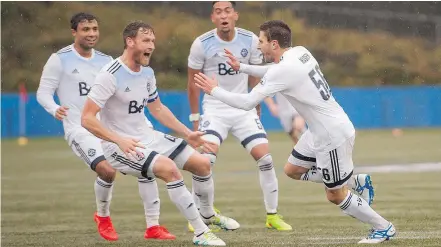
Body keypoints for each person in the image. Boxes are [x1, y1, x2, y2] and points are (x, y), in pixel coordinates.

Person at [194, 20, 395, 244]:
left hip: (332, 135)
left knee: (335, 195)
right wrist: (242, 67)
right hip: (318, 131)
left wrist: (214, 90)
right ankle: (354, 181)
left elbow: (247, 102)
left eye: (261, 41)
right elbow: (273, 70)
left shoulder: (283, 69)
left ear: (274, 44)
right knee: (292, 170)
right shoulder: (300, 52)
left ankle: (383, 227)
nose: (258, 46)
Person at [81, 21, 240, 246]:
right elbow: (86, 118)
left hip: (148, 136)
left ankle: (208, 216)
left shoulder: (147, 72)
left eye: (153, 41)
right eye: (146, 40)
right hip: (118, 146)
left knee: (203, 164)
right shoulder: (110, 74)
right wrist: (119, 140)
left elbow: (157, 109)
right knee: (170, 170)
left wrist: (187, 133)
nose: (152, 46)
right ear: (129, 41)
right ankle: (200, 233)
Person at [36, 12, 175, 241]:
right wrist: (54, 109)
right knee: (107, 170)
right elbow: (43, 92)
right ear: (74, 32)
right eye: (85, 30)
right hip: (81, 128)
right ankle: (103, 216)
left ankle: (153, 226)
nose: (91, 34)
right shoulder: (59, 59)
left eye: (94, 29)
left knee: (147, 165)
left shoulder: (106, 61)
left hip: (114, 127)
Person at [187, 1, 291, 232]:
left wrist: (256, 101)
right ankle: (197, 217)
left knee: (265, 158)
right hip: (214, 108)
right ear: (212, 17)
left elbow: (254, 73)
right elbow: (192, 82)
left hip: (243, 107)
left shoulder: (251, 40)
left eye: (227, 11)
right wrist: (195, 116)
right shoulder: (201, 44)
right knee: (205, 161)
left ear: (235, 15)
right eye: (218, 12)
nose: (223, 16)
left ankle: (272, 216)